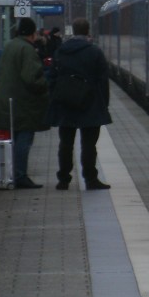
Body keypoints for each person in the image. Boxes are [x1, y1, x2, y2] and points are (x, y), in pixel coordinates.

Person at [47, 17, 112, 191]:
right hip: (90, 104)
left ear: (74, 31)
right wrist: (103, 103)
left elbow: (52, 77)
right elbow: (103, 80)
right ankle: (90, 179)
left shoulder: (61, 51)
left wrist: (55, 97)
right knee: (89, 145)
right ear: (87, 31)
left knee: (65, 144)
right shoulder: (94, 52)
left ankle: (63, 179)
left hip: (65, 104)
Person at [0, 17, 51, 189]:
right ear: (32, 34)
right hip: (23, 104)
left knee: (14, 138)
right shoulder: (27, 50)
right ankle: (20, 175)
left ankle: (10, 174)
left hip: (7, 102)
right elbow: (31, 78)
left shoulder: (10, 46)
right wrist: (45, 85)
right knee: (24, 139)